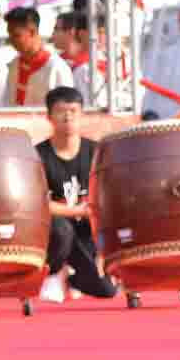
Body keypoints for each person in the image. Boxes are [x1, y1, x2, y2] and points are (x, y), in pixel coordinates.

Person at [34, 86, 117, 302]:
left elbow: (110, 196)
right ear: (49, 117)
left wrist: (104, 250)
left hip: (87, 230)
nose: (68, 117)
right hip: (54, 233)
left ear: (82, 115)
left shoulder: (97, 152)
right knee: (61, 229)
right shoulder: (38, 155)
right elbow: (38, 204)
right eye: (61, 111)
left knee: (107, 290)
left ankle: (71, 280)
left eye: (73, 111)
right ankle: (52, 274)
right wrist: (76, 210)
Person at [1, 6, 73, 107]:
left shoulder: (57, 67)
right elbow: (7, 104)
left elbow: (66, 108)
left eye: (16, 35)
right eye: (10, 35)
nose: (11, 40)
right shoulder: (14, 65)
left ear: (32, 32)